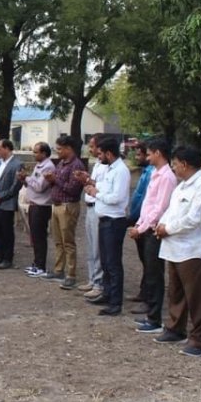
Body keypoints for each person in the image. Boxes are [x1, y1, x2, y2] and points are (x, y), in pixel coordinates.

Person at [153, 146, 201, 357]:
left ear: (184, 164)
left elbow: (194, 219)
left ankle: (199, 340)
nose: (173, 167)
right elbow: (170, 211)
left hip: (195, 249)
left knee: (198, 296)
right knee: (176, 292)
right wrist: (161, 225)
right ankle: (175, 329)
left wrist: (168, 229)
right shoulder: (182, 187)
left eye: (174, 163)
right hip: (175, 247)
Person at [127, 138, 177, 332]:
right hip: (146, 227)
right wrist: (139, 223)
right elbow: (148, 204)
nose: (146, 157)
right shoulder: (156, 174)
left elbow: (160, 207)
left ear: (158, 153)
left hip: (154, 230)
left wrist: (141, 228)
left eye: (149, 153)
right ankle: (151, 315)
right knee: (149, 272)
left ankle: (155, 319)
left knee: (154, 274)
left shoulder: (167, 177)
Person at [83, 137, 131, 316]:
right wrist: (93, 184)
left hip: (114, 221)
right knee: (105, 261)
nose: (98, 155)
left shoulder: (121, 171)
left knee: (113, 263)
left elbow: (117, 197)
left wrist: (96, 193)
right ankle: (108, 293)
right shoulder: (110, 169)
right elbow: (105, 187)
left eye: (101, 153)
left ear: (109, 154)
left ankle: (115, 302)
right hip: (104, 220)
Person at [42, 136, 85, 289]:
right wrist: (51, 179)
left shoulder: (76, 165)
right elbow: (59, 182)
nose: (57, 151)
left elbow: (73, 189)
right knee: (58, 240)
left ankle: (71, 274)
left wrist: (55, 179)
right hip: (57, 205)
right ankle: (59, 269)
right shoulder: (61, 163)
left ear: (68, 148)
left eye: (59, 149)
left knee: (68, 242)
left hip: (68, 206)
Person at [73, 134, 107, 298]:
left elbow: (102, 188)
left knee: (97, 248)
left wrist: (89, 181)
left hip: (98, 206)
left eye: (93, 147)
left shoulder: (108, 167)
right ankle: (92, 279)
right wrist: (85, 179)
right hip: (90, 206)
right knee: (91, 246)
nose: (90, 150)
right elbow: (92, 183)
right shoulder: (98, 164)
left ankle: (99, 283)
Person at [0, 139, 24, 269]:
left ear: (7, 148)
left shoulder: (17, 164)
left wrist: (0, 197)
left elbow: (16, 186)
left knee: (7, 231)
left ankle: (8, 258)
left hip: (6, 203)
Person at [19, 141, 55, 277]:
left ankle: (41, 265)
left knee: (39, 237)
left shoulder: (48, 167)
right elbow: (33, 184)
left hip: (42, 206)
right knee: (34, 236)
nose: (34, 154)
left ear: (44, 153)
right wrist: (24, 180)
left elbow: (40, 187)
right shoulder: (39, 166)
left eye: (36, 152)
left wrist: (27, 178)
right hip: (34, 204)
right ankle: (36, 263)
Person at [128, 142, 155, 306]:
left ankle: (149, 296)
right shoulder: (145, 172)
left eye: (140, 155)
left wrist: (137, 221)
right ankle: (144, 292)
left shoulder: (153, 174)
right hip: (139, 220)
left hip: (146, 222)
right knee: (145, 260)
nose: (137, 158)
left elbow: (148, 202)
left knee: (149, 262)